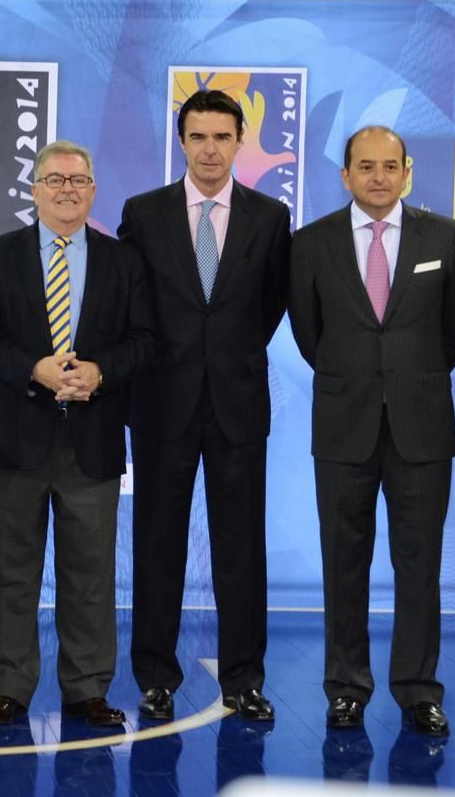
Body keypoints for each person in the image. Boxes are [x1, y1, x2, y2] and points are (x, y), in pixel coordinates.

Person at [0, 140, 155, 729]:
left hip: (91, 441)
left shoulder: (124, 262)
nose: (67, 188)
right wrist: (33, 368)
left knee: (90, 576)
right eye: (55, 179)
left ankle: (87, 689)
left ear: (94, 190)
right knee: (11, 573)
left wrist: (100, 373)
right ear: (35, 190)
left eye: (78, 180)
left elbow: (145, 341)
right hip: (15, 439)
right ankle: (10, 689)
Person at [287, 125, 455, 736]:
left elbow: (454, 332)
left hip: (421, 426)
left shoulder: (443, 235)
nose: (378, 177)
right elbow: (310, 334)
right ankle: (346, 688)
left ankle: (419, 690)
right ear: (345, 176)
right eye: (365, 166)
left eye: (390, 166)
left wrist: (404, 378)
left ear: (407, 171)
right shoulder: (311, 243)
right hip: (344, 424)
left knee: (421, 564)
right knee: (345, 562)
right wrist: (358, 376)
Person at [117, 89, 290, 723]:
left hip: (239, 405)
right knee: (157, 544)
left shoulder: (271, 217)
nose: (210, 149)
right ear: (182, 142)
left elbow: (269, 307)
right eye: (198, 137)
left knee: (242, 547)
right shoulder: (145, 211)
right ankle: (155, 677)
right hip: (162, 402)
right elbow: (135, 304)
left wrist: (228, 356)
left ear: (239, 141)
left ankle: (245, 679)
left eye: (222, 137)